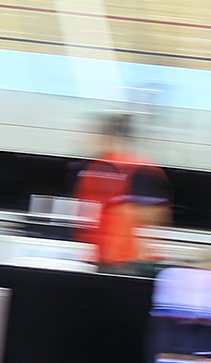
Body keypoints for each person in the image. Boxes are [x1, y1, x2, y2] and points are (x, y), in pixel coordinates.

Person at [71, 113, 170, 273]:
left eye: (99, 134)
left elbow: (155, 217)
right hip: (99, 258)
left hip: (127, 262)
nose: (92, 139)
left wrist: (124, 209)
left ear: (114, 136)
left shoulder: (140, 169)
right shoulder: (95, 167)